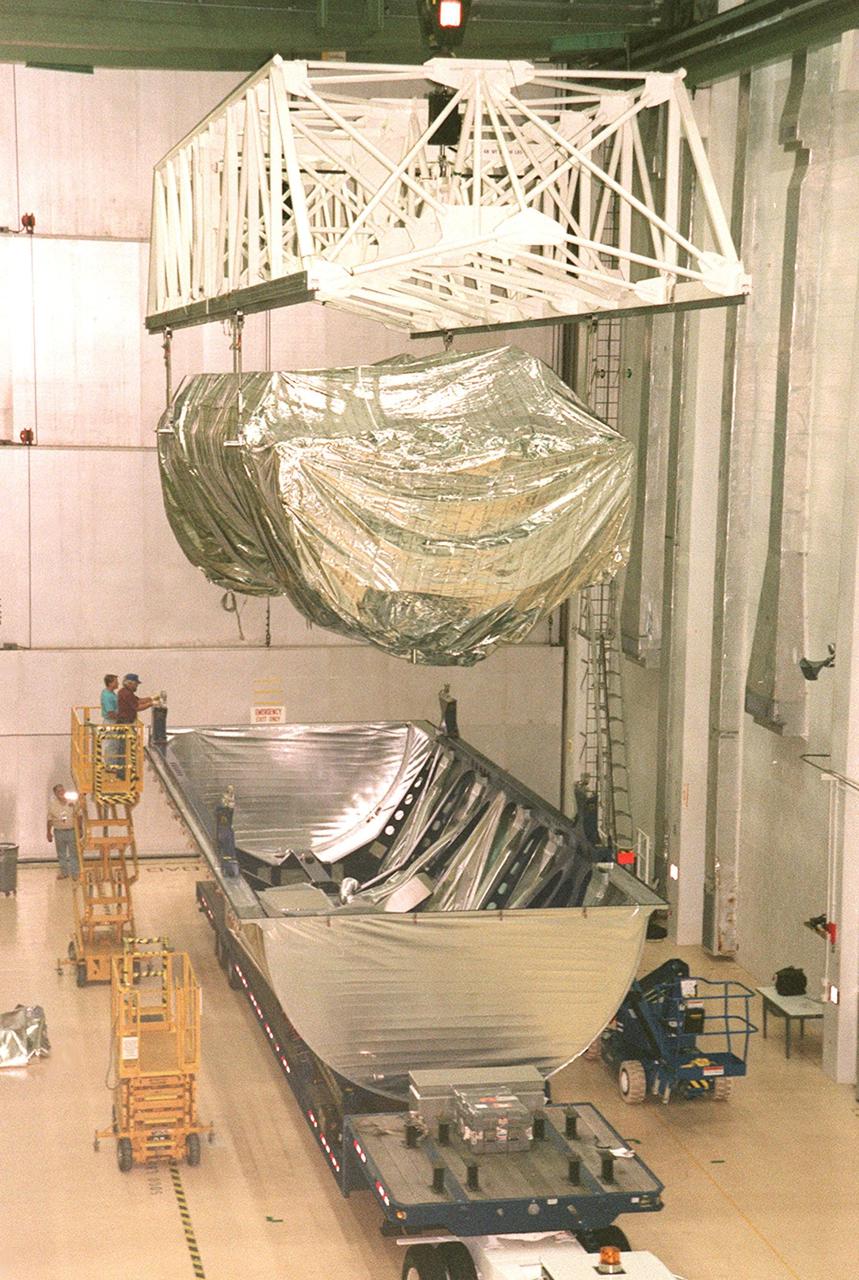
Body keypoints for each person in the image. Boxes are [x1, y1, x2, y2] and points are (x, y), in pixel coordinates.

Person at [47, 783, 79, 880]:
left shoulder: (72, 802)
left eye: (62, 790)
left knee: (73, 853)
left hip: (72, 831)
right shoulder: (52, 805)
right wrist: (48, 832)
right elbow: (49, 820)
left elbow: (79, 815)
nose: (61, 792)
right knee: (61, 853)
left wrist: (80, 829)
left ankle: (75, 873)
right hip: (59, 832)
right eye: (59, 791)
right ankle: (64, 872)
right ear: (55, 793)